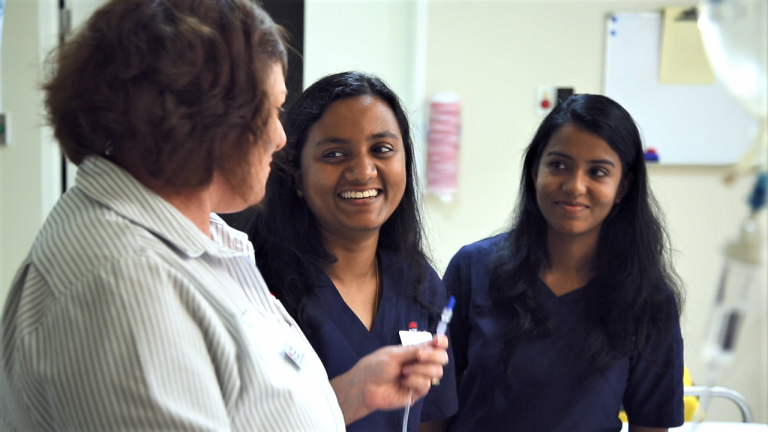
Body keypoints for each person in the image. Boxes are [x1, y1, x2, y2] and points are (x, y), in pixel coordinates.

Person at [0, 1, 448, 430]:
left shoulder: (198, 240)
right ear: (200, 121)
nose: (279, 139)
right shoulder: (124, 283)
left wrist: (348, 396)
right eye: (271, 112)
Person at [443, 94, 685, 432]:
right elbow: (434, 404)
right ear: (534, 170)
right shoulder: (472, 269)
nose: (575, 186)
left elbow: (652, 423)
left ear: (623, 187)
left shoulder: (649, 300)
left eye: (598, 172)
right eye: (559, 165)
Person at [248, 71, 458, 432]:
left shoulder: (419, 285)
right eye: (335, 154)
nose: (362, 171)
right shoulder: (258, 287)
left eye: (382, 149)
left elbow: (430, 420)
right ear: (297, 176)